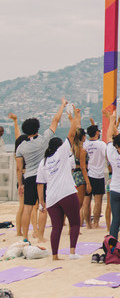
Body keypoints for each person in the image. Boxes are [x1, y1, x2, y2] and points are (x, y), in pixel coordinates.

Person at [36, 103, 82, 260]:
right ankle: (72, 252)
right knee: (75, 223)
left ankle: (55, 255)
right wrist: (74, 118)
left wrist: (42, 202)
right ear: (59, 147)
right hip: (67, 193)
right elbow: (71, 135)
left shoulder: (43, 162)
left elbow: (40, 184)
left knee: (56, 227)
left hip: (52, 198)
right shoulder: (62, 153)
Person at [17, 98, 67, 243]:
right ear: (37, 128)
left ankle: (25, 237)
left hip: (30, 177)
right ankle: (40, 236)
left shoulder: (21, 147)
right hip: (44, 177)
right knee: (42, 206)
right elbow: (55, 121)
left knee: (27, 208)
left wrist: (21, 184)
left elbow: (19, 168)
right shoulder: (44, 139)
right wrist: (62, 105)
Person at [103, 107, 120, 239]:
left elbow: (108, 136)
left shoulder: (111, 152)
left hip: (114, 189)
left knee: (115, 219)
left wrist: (111, 120)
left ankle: (112, 242)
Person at [83, 122, 107, 229]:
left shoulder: (85, 144)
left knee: (86, 202)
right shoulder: (101, 144)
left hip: (88, 174)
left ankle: (88, 224)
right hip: (98, 175)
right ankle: (96, 223)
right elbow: (107, 157)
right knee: (98, 201)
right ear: (97, 133)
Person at [8, 113, 25, 236]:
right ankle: (23, 231)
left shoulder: (17, 151)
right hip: (24, 178)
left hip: (21, 179)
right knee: (27, 207)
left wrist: (15, 121)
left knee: (22, 207)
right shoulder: (24, 152)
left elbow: (17, 136)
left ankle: (19, 231)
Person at [71, 126, 89, 227]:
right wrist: (88, 182)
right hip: (80, 176)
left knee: (74, 203)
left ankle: (71, 225)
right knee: (79, 204)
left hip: (73, 175)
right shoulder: (81, 151)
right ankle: (74, 226)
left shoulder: (72, 149)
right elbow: (83, 167)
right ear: (82, 137)